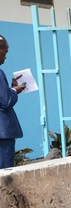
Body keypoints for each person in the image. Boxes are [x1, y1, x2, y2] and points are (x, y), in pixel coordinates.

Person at [0, 35, 26, 169]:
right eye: (5, 51)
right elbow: (6, 102)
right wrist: (15, 91)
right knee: (4, 173)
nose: (6, 56)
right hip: (3, 133)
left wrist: (10, 88)